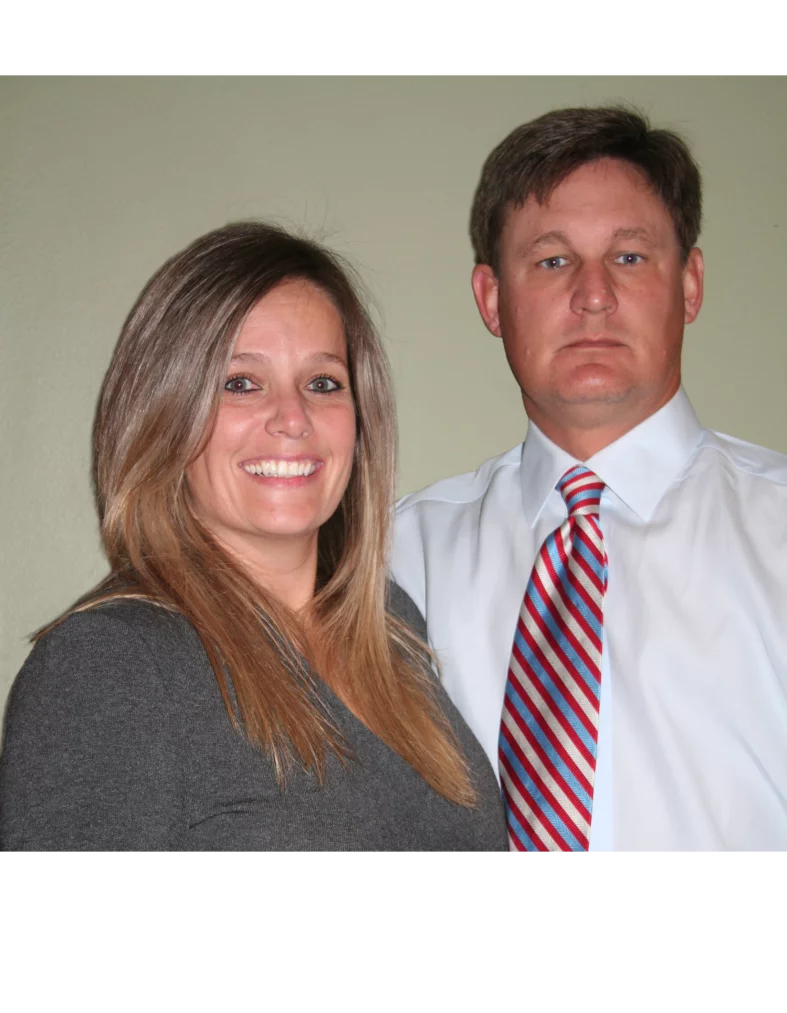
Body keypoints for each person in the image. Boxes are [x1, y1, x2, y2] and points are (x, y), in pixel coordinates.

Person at [0, 222, 507, 856]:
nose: (293, 419)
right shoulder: (110, 666)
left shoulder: (390, 628)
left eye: (323, 383)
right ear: (164, 413)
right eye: (240, 383)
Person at [392, 107, 787, 855]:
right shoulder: (398, 563)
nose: (593, 294)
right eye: (552, 261)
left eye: (629, 257)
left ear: (691, 284)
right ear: (490, 299)